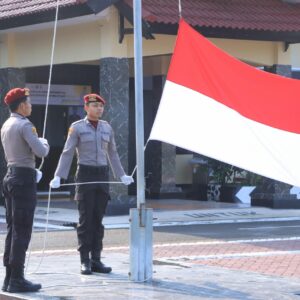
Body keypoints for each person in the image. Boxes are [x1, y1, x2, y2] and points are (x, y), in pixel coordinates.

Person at [50, 93, 133, 275]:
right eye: (95, 106)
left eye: (101, 106)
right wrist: (59, 176)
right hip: (85, 174)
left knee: (98, 219)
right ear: (86, 107)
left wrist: (121, 175)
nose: (99, 109)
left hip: (102, 174)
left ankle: (96, 259)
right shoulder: (77, 128)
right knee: (85, 220)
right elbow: (67, 152)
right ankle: (84, 261)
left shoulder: (107, 128)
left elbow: (113, 154)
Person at [1, 88, 50, 293]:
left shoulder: (7, 124)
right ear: (21, 105)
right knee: (22, 230)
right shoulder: (24, 125)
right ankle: (17, 279)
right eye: (28, 102)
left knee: (13, 229)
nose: (30, 106)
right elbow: (41, 152)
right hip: (23, 179)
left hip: (11, 175)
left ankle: (9, 277)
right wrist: (44, 144)